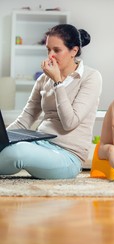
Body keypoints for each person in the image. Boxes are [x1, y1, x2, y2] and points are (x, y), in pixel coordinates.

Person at [0, 24, 102, 179]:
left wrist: (57, 83)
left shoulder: (91, 77)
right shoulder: (43, 79)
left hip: (68, 156)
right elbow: (25, 119)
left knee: (18, 152)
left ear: (73, 51)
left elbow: (70, 122)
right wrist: (3, 139)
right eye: (48, 50)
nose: (50, 56)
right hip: (39, 145)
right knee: (11, 149)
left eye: (56, 50)